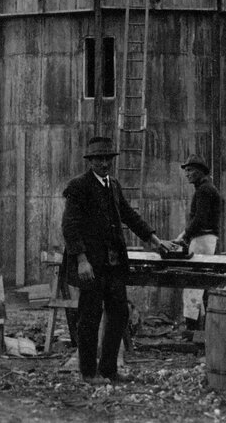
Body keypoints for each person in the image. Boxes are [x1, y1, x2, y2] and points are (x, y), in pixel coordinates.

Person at [61, 136, 173, 384]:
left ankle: (109, 369)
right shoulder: (78, 187)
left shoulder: (114, 186)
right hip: (91, 265)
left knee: (119, 313)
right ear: (90, 162)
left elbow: (129, 216)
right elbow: (69, 226)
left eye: (107, 159)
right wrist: (81, 259)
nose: (104, 163)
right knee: (89, 318)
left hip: (113, 264)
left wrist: (155, 240)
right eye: (99, 159)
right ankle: (89, 373)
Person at [172, 153, 221, 332]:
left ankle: (193, 330)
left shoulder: (204, 190)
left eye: (190, 170)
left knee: (193, 285)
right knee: (198, 285)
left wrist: (183, 237)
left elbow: (199, 219)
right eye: (186, 170)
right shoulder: (206, 188)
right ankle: (198, 329)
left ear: (200, 172)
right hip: (203, 239)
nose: (187, 174)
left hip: (202, 240)